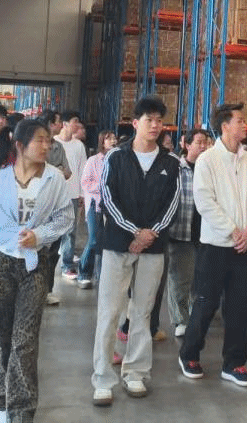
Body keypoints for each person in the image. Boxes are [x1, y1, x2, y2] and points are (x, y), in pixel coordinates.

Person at [0, 119, 75, 423]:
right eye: (40, 140)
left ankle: (22, 410)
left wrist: (39, 236)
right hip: (0, 262)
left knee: (25, 339)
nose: (47, 146)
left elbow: (65, 218)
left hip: (36, 264)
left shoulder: (54, 179)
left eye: (48, 141)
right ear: (20, 145)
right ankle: (2, 403)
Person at [91, 95, 180, 407]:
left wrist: (148, 235)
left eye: (159, 120)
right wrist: (133, 232)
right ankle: (103, 378)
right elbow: (107, 198)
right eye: (149, 120)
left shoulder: (171, 162)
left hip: (153, 248)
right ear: (135, 123)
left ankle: (136, 372)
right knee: (109, 311)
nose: (155, 125)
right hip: (118, 244)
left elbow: (172, 205)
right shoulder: (116, 157)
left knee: (143, 312)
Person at [178, 103, 247, 388]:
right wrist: (233, 231)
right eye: (240, 120)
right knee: (206, 302)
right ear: (225, 126)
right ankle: (189, 354)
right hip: (216, 245)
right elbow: (205, 202)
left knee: (240, 307)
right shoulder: (207, 160)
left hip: (246, 245)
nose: (244, 124)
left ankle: (234, 363)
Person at [167, 128, 207, 337]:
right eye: (199, 142)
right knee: (180, 279)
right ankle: (180, 319)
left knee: (199, 278)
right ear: (187, 145)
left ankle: (194, 314)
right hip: (182, 230)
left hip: (205, 232)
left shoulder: (209, 169)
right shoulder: (177, 168)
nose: (203, 146)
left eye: (206, 142)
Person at [38, 111, 71, 306]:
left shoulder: (59, 147)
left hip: (55, 202)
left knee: (53, 250)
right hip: (37, 203)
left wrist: (56, 171)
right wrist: (54, 170)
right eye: (59, 122)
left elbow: (67, 172)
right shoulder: (31, 144)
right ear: (51, 124)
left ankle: (47, 290)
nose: (61, 125)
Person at [78, 130, 116, 289]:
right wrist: (104, 187)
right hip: (95, 205)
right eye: (109, 138)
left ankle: (100, 275)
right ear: (102, 142)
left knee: (105, 242)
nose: (113, 141)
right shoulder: (93, 160)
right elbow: (86, 182)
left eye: (113, 138)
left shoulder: (117, 159)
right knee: (94, 240)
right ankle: (83, 273)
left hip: (112, 207)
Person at [55, 111, 88, 281]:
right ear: (65, 124)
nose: (78, 125)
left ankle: (67, 265)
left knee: (70, 230)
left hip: (73, 193)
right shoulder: (54, 142)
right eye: (75, 121)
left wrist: (82, 193)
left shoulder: (79, 145)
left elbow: (83, 169)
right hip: (54, 194)